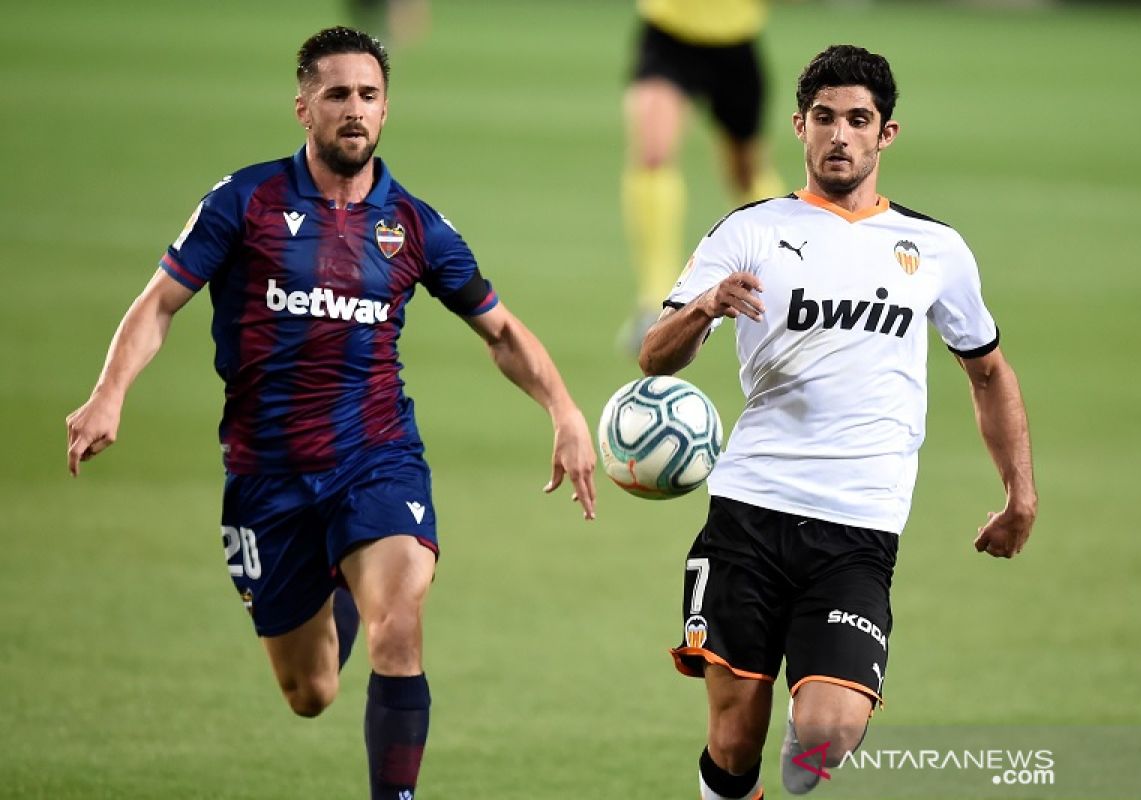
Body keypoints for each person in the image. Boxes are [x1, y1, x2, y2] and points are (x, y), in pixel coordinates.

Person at [65, 27, 596, 800]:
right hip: (266, 475)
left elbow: (502, 329)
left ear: (386, 109)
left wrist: (565, 409)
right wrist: (110, 391)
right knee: (310, 692)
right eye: (338, 94)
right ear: (303, 106)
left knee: (399, 625)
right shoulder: (244, 202)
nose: (355, 110)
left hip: (376, 458)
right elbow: (158, 306)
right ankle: (337, 577)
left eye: (370, 95)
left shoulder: (413, 224)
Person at [639, 44, 1037, 798]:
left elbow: (988, 371)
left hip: (858, 529)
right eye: (825, 118)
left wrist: (1021, 493)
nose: (840, 136)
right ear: (799, 125)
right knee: (730, 743)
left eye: (858, 120)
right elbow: (656, 357)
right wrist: (704, 305)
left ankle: (803, 749)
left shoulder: (936, 250)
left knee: (826, 736)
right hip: (749, 513)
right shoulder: (749, 230)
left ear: (886, 134)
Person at [621, 0, 785, 353]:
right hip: (669, 35)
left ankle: (790, 272)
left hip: (735, 40)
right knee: (653, 154)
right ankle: (656, 300)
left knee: (745, 173)